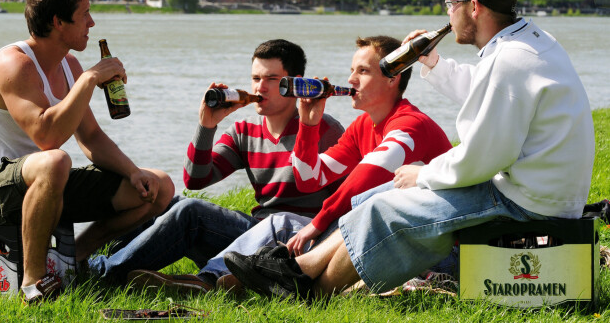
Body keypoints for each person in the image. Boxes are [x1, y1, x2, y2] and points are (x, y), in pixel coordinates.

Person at [224, 0, 595, 299]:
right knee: (378, 197)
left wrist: (424, 174)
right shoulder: (526, 43)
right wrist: (433, 62)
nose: (447, 13)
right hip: (537, 188)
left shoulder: (510, 62)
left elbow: (483, 158)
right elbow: (489, 93)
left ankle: (307, 291)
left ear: (475, 7)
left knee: (384, 209)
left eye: (451, 3)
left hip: (528, 202)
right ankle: (295, 277)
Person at [0, 0, 175, 303]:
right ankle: (33, 285)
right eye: (84, 15)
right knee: (56, 160)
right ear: (58, 22)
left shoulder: (69, 65)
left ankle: (71, 260)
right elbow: (47, 136)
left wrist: (134, 172)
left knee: (159, 186)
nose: (92, 23)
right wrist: (90, 79)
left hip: (47, 181)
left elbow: (89, 135)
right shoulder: (13, 65)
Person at [188, 34, 452, 292]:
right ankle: (250, 280)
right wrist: (308, 124)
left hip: (442, 247)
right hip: (397, 236)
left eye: (363, 71)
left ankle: (210, 282)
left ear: (392, 78)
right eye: (351, 70)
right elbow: (309, 179)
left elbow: (368, 175)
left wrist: (317, 224)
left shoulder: (409, 124)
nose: (351, 80)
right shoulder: (363, 125)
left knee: (283, 224)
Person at [88, 39, 345, 290]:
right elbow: (196, 180)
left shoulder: (323, 129)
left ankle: (102, 275)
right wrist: (207, 125)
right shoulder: (245, 131)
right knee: (163, 201)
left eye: (272, 80)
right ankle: (88, 261)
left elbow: (349, 199)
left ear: (295, 84)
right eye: (256, 79)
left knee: (191, 213)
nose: (260, 88)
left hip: (296, 241)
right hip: (251, 235)